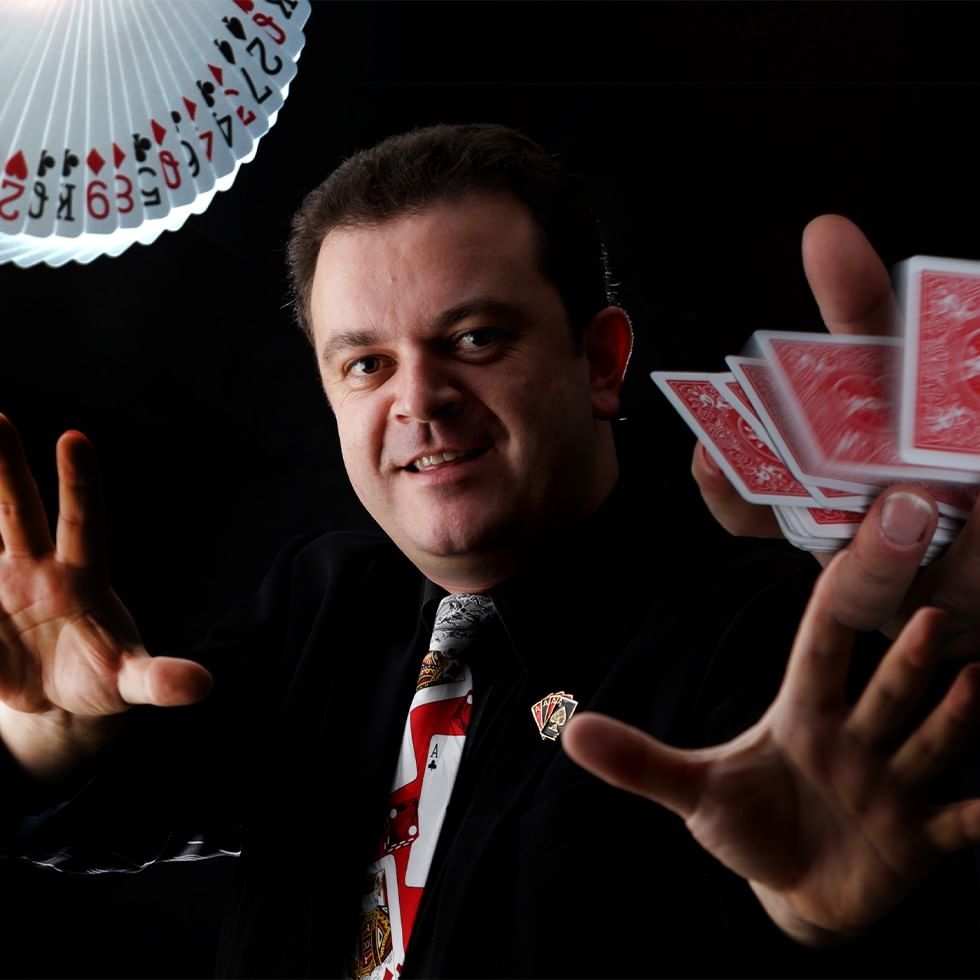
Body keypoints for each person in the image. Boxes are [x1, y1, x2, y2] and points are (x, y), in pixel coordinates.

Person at [1, 122, 979, 978]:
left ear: (599, 361)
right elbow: (110, 813)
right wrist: (49, 729)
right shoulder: (322, 603)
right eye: (366, 364)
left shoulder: (772, 631)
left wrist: (829, 928)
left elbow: (858, 874)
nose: (417, 401)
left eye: (473, 339)